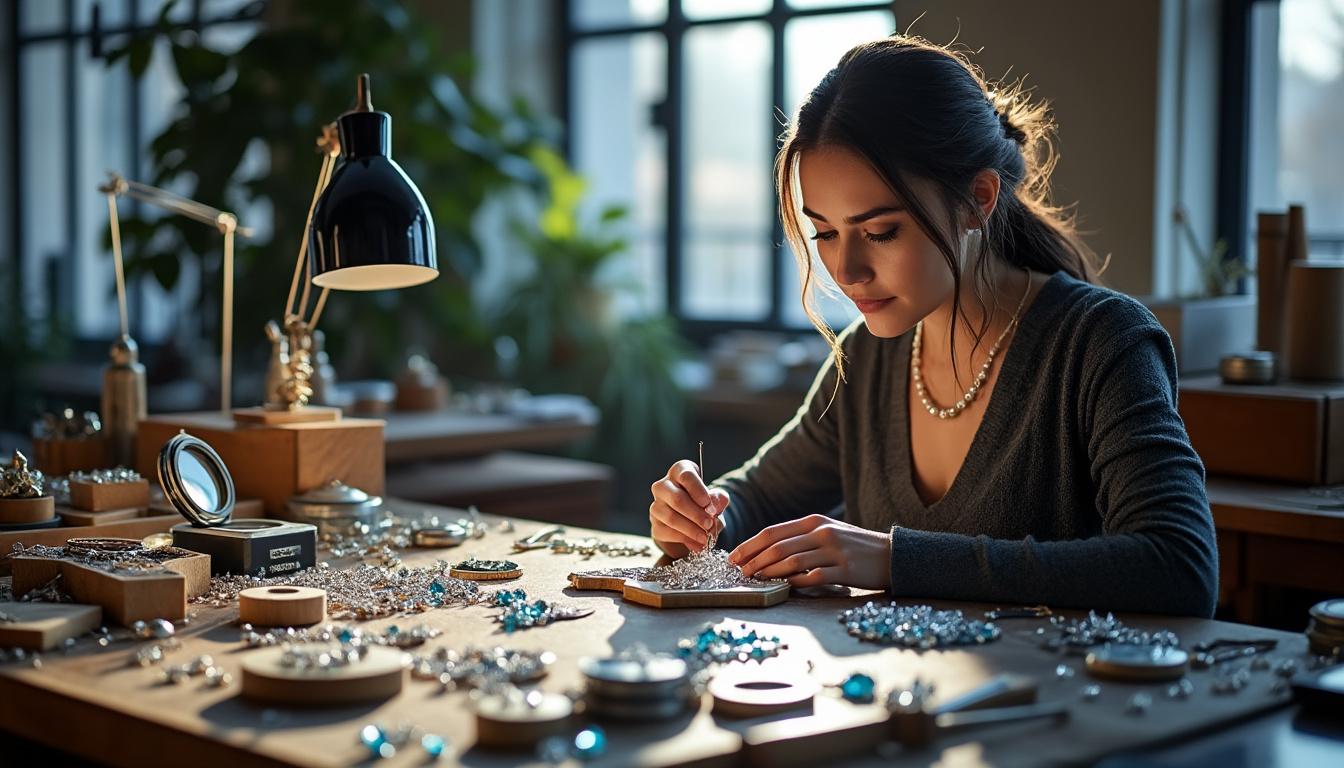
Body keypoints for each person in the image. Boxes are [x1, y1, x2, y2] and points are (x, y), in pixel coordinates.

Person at [648, 35, 1217, 617]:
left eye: (880, 232)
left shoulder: (1102, 342)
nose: (846, 270)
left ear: (978, 200)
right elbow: (756, 497)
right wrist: (699, 515)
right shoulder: (869, 358)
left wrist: (896, 559)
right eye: (825, 233)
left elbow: (1179, 566)